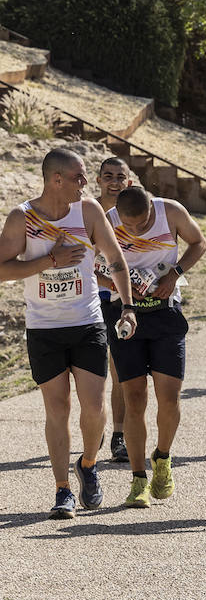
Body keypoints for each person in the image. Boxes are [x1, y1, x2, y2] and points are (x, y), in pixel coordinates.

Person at [0, 147, 137, 519]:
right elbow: (1, 269)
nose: (86, 183)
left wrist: (127, 305)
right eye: (79, 176)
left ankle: (88, 464)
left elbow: (116, 259)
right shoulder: (22, 218)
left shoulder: (88, 210)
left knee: (94, 407)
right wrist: (49, 261)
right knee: (57, 409)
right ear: (56, 179)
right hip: (44, 327)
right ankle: (62, 490)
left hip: (87, 322)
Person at [106, 186, 206, 507]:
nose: (134, 230)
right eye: (128, 226)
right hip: (124, 313)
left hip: (165, 314)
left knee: (169, 395)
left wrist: (175, 274)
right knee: (134, 397)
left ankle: (162, 457)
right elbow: (92, 267)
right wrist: (121, 288)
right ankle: (138, 480)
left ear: (152, 209)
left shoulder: (171, 211)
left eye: (141, 224)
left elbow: (199, 242)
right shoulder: (106, 221)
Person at [95, 155, 133, 461]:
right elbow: (81, 261)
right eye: (108, 176)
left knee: (120, 370)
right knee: (92, 372)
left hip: (124, 299)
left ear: (129, 182)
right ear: (98, 181)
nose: (115, 182)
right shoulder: (88, 212)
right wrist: (107, 282)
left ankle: (119, 435)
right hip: (92, 298)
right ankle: (94, 427)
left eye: (120, 177)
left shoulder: (135, 211)